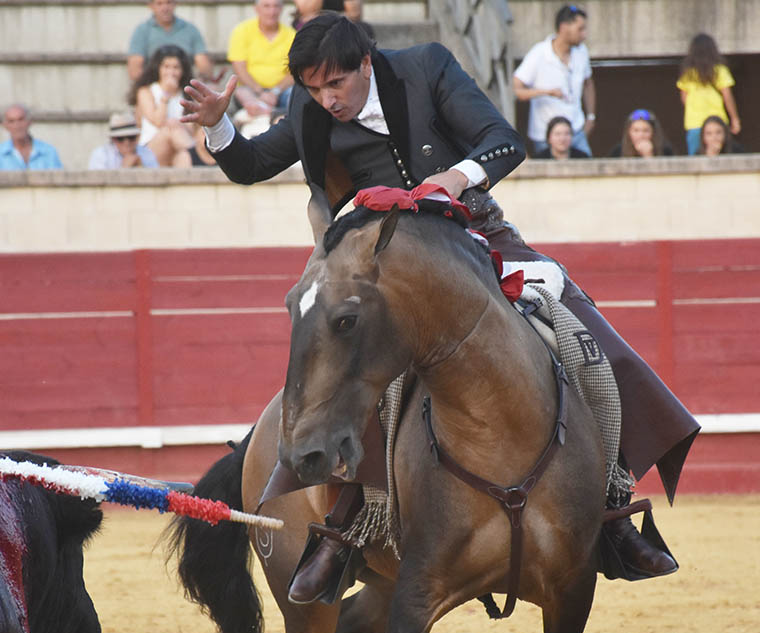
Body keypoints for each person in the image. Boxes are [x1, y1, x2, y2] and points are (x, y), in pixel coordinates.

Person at [182, 13, 697, 602]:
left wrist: (455, 176)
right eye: (314, 88)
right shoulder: (309, 110)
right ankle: (346, 524)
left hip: (474, 239)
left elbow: (505, 140)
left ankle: (610, 509)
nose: (327, 100)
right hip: (381, 266)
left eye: (336, 85)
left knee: (576, 330)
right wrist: (220, 127)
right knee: (348, 364)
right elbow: (250, 165)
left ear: (365, 64)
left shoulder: (427, 67)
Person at [513, 4, 596, 157]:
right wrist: (546, 92)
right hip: (546, 135)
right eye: (580, 29)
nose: (584, 34)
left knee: (589, 173)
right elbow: (516, 89)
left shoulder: (582, 51)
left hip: (576, 130)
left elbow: (588, 82)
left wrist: (591, 117)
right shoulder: (539, 53)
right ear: (564, 27)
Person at [129, 45, 198, 167]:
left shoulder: (187, 93)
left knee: (184, 157)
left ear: (183, 70)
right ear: (158, 68)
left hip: (178, 149)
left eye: (176, 67)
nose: (171, 72)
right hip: (151, 150)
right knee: (169, 129)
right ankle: (201, 159)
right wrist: (166, 94)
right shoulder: (146, 91)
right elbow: (158, 121)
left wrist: (178, 125)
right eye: (166, 67)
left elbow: (192, 130)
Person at [227, 0, 296, 122]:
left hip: (281, 91)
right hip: (250, 89)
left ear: (282, 9)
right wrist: (260, 92)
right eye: (267, 6)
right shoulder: (242, 30)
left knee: (295, 94)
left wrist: (275, 92)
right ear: (256, 9)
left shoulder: (292, 35)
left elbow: (293, 72)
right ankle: (269, 112)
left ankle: (264, 111)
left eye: (276, 6)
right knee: (241, 91)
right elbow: (240, 69)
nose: (272, 11)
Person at [677, 33, 741, 156]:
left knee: (696, 158)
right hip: (718, 121)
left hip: (694, 122)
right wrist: (735, 118)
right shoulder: (720, 70)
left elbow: (684, 97)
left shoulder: (688, 73)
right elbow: (727, 96)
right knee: (724, 154)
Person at [127, 0, 213, 82]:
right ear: (151, 6)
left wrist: (201, 80)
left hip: (185, 86)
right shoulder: (142, 30)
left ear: (175, 3)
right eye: (159, 3)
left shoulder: (190, 29)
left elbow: (203, 63)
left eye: (169, 2)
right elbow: (135, 70)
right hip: (152, 87)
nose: (165, 8)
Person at [0, 104, 63, 170]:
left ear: (29, 122)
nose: (17, 126)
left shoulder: (48, 152)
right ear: (5, 125)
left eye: (21, 120)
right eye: (11, 121)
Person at [87, 111, 160, 169]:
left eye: (131, 137)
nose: (127, 142)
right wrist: (124, 169)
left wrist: (141, 167)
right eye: (120, 138)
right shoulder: (101, 155)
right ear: (113, 139)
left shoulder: (146, 153)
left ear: (137, 137)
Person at [608, 109, 674, 158]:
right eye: (636, 130)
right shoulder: (618, 151)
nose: (641, 135)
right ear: (628, 132)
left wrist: (649, 155)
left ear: (653, 133)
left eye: (646, 131)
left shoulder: (665, 150)